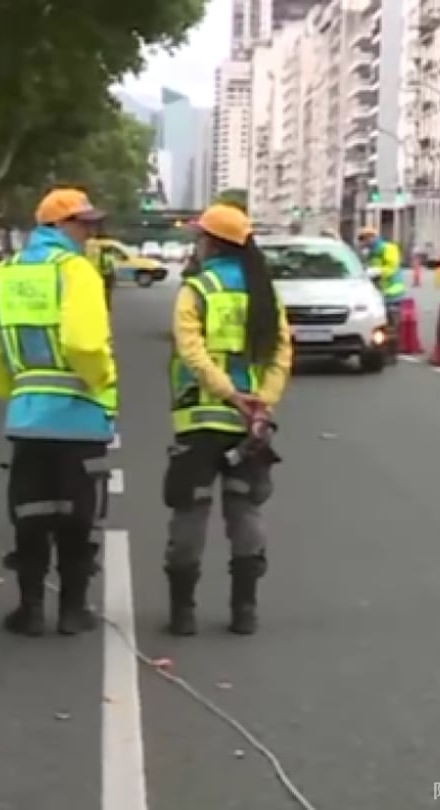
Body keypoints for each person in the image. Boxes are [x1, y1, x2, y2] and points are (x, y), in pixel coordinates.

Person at [0, 187, 117, 637]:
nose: (90, 232)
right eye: (82, 223)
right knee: (78, 515)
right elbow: (84, 343)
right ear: (56, 226)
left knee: (30, 513)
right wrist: (102, 379)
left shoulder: (8, 273)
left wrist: (16, 391)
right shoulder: (77, 271)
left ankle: (30, 610)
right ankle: (73, 611)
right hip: (80, 415)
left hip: (28, 418)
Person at [163, 204, 292, 637]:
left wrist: (227, 394)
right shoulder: (266, 294)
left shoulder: (195, 290)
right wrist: (260, 405)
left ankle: (183, 614)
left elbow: (191, 352)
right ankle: (245, 611)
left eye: (199, 237)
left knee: (190, 513)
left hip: (199, 421)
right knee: (246, 513)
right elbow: (281, 356)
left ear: (211, 243)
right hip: (248, 428)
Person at [358, 225, 404, 360]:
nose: (364, 242)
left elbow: (392, 267)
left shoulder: (388, 248)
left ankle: (391, 354)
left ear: (373, 237)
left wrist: (378, 272)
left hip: (392, 293)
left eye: (366, 239)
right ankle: (383, 351)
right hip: (377, 295)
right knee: (381, 326)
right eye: (363, 240)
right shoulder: (370, 252)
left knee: (392, 326)